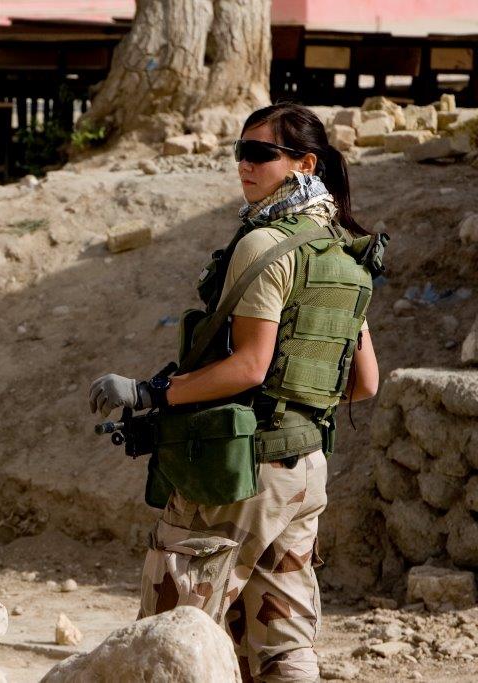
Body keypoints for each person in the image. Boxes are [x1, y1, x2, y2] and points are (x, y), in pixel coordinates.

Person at [88, 103, 381, 682]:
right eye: (239, 152)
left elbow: (249, 366)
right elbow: (365, 382)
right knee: (283, 649)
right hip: (305, 474)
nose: (243, 165)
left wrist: (151, 393)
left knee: (171, 634)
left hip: (239, 471)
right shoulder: (343, 250)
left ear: (304, 163)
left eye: (259, 154)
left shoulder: (264, 243)